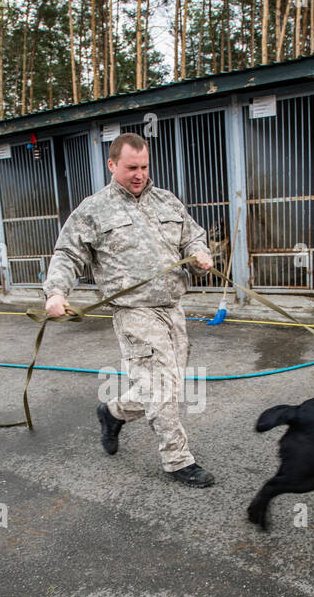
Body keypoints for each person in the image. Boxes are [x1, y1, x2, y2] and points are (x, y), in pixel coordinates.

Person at [42, 132, 216, 487]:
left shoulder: (167, 201)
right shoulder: (93, 209)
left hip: (173, 308)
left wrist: (201, 255)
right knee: (161, 387)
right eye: (131, 167)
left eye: (144, 166)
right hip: (134, 312)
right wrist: (56, 293)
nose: (139, 174)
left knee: (167, 386)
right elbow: (67, 254)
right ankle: (177, 459)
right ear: (112, 165)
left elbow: (193, 236)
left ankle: (113, 412)